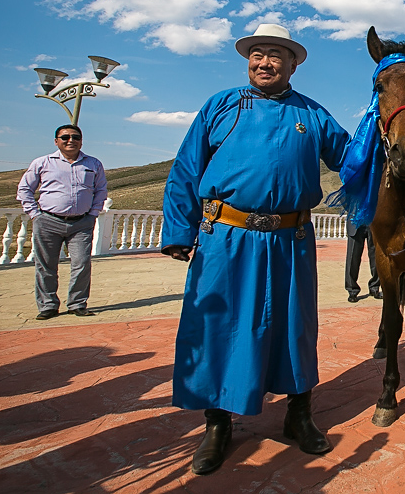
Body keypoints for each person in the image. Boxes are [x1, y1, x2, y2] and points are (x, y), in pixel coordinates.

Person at [161, 24, 350, 476]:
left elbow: (353, 159)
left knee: (294, 326)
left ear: (293, 64)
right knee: (218, 326)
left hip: (291, 240)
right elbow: (187, 168)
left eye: (275, 56)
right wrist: (178, 231)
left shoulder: (314, 114)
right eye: (258, 54)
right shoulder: (220, 105)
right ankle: (217, 424)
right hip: (225, 238)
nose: (265, 63)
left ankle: (298, 415)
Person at [17, 124, 107, 320]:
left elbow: (101, 190)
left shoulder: (93, 164)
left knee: (82, 263)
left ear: (81, 141)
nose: (70, 140)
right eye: (65, 137)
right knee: (46, 265)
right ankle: (48, 305)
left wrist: (93, 213)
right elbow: (24, 189)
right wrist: (35, 214)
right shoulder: (43, 162)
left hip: (81, 223)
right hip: (48, 221)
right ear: (56, 141)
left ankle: (77, 303)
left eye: (75, 137)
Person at [344, 216, 380, 303]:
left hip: (374, 221)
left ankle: (375, 287)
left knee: (376, 258)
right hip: (355, 222)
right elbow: (343, 202)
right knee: (352, 258)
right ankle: (352, 290)